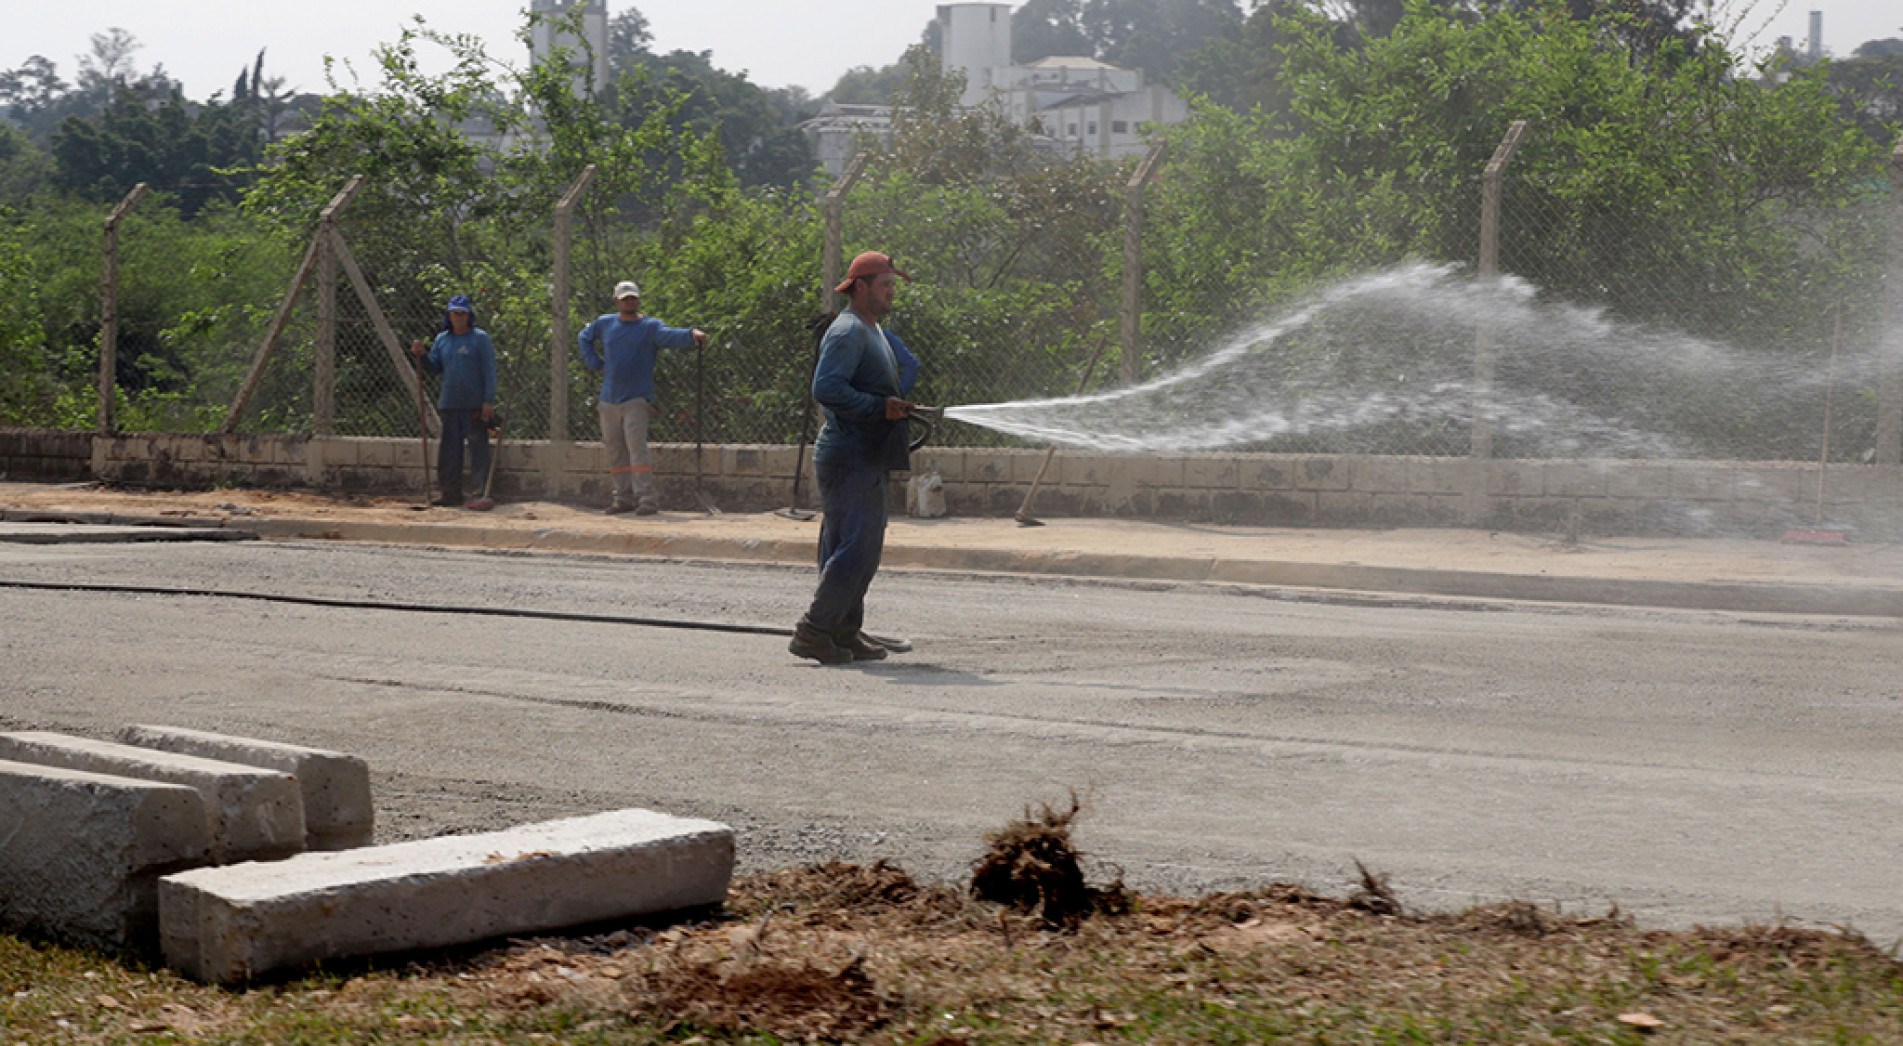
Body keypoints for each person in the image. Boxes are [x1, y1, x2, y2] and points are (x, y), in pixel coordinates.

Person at [790, 251, 922, 665]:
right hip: (851, 456)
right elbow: (826, 389)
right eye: (884, 285)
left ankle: (844, 633)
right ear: (860, 287)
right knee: (859, 549)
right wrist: (880, 407)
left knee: (848, 547)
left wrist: (890, 405)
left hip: (864, 454)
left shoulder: (872, 330)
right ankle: (814, 630)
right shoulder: (848, 332)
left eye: (892, 285)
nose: (891, 292)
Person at [577, 280, 708, 515]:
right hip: (609, 398)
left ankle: (646, 498)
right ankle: (623, 497)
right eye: (625, 298)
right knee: (615, 448)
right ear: (616, 301)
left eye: (633, 298)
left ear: (638, 299)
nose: (630, 301)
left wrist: (691, 335)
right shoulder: (605, 323)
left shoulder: (650, 327)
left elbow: (670, 335)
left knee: (637, 447)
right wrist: (595, 363)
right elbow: (584, 337)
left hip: (636, 398)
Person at [409, 294, 497, 508]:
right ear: (449, 315)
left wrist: (488, 400)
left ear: (469, 316)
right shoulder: (442, 339)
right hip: (450, 403)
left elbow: (489, 370)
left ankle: (479, 493)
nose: (459, 317)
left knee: (478, 449)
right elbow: (434, 367)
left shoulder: (479, 338)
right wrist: (421, 355)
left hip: (474, 404)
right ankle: (450, 493)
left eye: (462, 313)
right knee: (449, 451)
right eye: (455, 313)